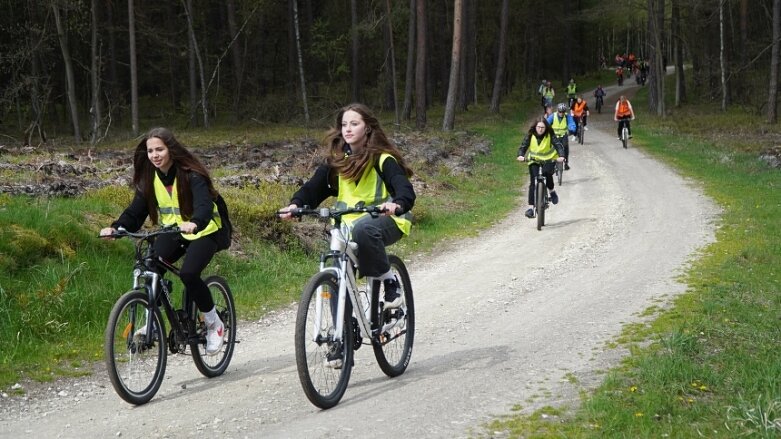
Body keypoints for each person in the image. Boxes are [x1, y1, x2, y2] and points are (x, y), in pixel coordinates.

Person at [278, 103, 415, 326]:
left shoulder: (383, 159)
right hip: (347, 226)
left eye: (354, 124)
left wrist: (397, 204)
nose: (347, 129)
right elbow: (313, 188)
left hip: (388, 220)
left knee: (364, 229)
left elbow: (404, 189)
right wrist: (296, 205)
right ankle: (341, 339)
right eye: (344, 125)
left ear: (368, 128)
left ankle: (389, 282)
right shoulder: (337, 162)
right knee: (336, 270)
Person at [99, 127, 230, 355]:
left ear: (171, 149)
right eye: (150, 151)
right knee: (150, 266)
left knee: (189, 273)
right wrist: (118, 227)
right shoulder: (151, 178)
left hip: (206, 230)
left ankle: (214, 324)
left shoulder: (191, 174)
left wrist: (196, 222)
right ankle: (152, 321)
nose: (155, 155)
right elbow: (136, 211)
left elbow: (204, 206)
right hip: (175, 231)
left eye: (159, 149)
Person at [516, 117, 565, 219]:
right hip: (534, 161)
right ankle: (530, 208)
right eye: (539, 127)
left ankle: (551, 191)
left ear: (546, 127)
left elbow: (558, 145)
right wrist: (520, 155)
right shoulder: (531, 134)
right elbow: (523, 146)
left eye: (543, 127)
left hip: (548, 160)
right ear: (535, 127)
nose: (540, 129)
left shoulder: (550, 135)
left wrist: (561, 156)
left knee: (547, 174)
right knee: (533, 181)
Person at [546, 102, 576, 170]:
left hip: (563, 136)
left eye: (563, 112)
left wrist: (572, 129)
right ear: (557, 110)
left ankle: (566, 163)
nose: (561, 113)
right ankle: (551, 163)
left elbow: (571, 123)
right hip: (554, 136)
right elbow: (546, 123)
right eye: (560, 112)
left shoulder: (567, 116)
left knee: (565, 148)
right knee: (551, 149)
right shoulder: (553, 116)